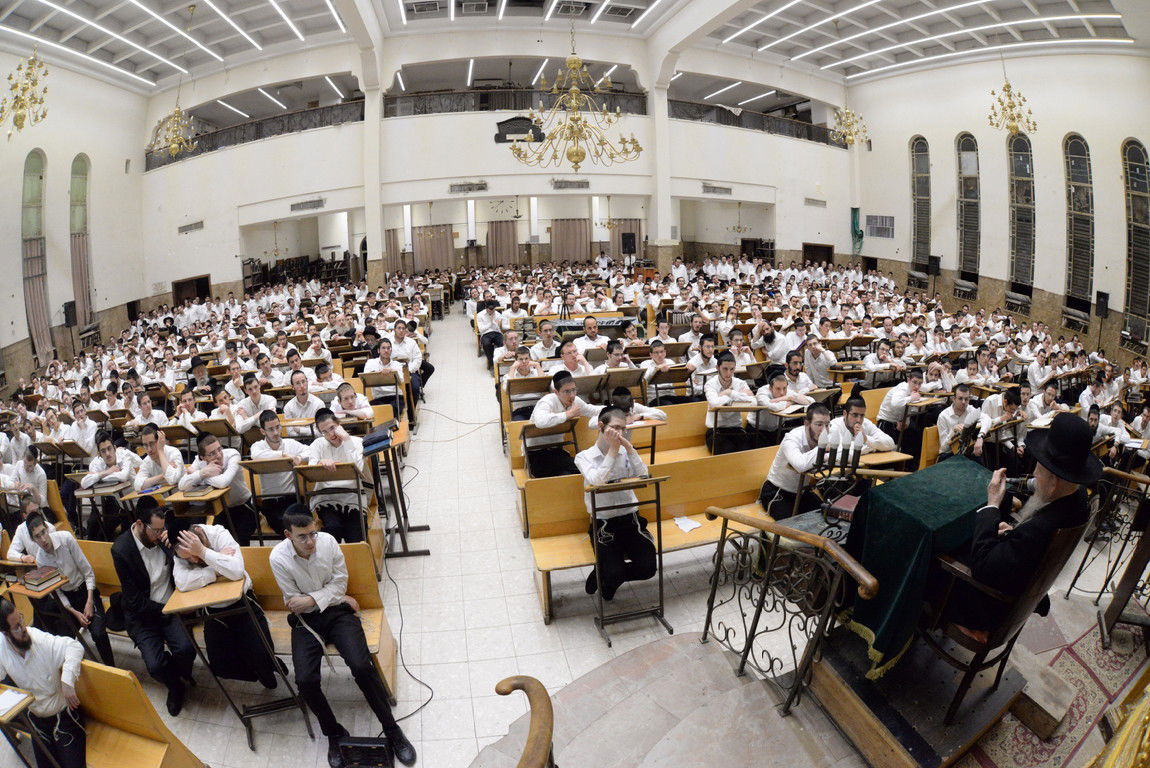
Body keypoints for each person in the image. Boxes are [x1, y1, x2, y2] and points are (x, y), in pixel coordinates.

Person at [270, 508, 416, 767]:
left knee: (361, 666)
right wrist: (320, 598)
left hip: (338, 613)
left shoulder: (328, 543)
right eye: (302, 537)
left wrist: (313, 598)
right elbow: (294, 603)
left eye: (313, 533)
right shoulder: (278, 557)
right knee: (304, 680)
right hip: (306, 621)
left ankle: (392, 728)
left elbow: (340, 584)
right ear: (287, 535)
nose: (311, 542)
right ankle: (334, 733)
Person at [942, 413, 1099, 636]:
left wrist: (993, 505)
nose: (1034, 472)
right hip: (1017, 581)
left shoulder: (1039, 531)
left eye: (1039, 467)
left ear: (1054, 483)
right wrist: (1015, 534)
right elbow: (1029, 547)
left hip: (989, 607)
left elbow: (982, 567)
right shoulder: (1079, 498)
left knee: (936, 555)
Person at [111, 498, 196, 716]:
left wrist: (174, 545)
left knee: (187, 650)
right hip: (142, 614)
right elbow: (133, 600)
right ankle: (175, 685)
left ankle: (177, 673)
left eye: (162, 529)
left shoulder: (164, 538)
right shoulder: (121, 550)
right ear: (139, 524)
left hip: (171, 604)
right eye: (155, 530)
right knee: (155, 666)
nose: (160, 535)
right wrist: (166, 610)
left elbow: (188, 564)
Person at [173, 524, 279, 688]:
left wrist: (203, 552)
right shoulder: (180, 546)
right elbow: (182, 582)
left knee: (262, 654)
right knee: (220, 665)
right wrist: (216, 568)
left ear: (201, 533)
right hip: (212, 608)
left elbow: (236, 571)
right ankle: (255, 670)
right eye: (188, 559)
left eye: (194, 554)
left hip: (242, 602)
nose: (194, 560)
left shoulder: (218, 533)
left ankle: (265, 668)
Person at [574, 408, 657, 601]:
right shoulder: (584, 457)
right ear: (601, 427)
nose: (620, 433)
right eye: (615, 428)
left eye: (623, 428)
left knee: (648, 568)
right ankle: (608, 574)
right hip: (604, 524)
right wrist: (613, 449)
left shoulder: (625, 451)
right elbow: (597, 481)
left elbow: (644, 475)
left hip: (631, 520)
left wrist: (629, 448)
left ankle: (603, 573)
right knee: (614, 571)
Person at [0, 598, 86, 768]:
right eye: (16, 627)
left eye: (21, 619)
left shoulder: (38, 639)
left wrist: (67, 681)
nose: (23, 628)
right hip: (37, 719)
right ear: (4, 633)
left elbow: (74, 646)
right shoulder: (1, 645)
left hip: (63, 715)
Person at [28, 513, 115, 665]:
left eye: (43, 532)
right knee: (65, 639)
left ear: (47, 528)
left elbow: (88, 573)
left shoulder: (66, 538)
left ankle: (112, 668)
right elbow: (57, 591)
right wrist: (74, 612)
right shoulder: (41, 559)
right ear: (33, 540)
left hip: (86, 592)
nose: (42, 539)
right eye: (37, 536)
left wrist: (89, 602)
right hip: (69, 600)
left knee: (98, 633)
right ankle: (83, 674)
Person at [178, 433, 256, 545]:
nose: (219, 455)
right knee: (216, 542)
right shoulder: (200, 462)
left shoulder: (233, 455)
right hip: (222, 509)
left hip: (244, 506)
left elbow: (223, 482)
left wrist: (199, 475)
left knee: (240, 543)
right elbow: (182, 485)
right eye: (212, 453)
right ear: (203, 458)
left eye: (219, 449)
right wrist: (202, 472)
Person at [760, 403, 832, 519]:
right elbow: (800, 465)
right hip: (777, 491)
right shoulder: (792, 438)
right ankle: (767, 535)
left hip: (802, 492)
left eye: (827, 425)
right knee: (791, 527)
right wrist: (822, 448)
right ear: (807, 424)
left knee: (826, 517)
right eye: (819, 425)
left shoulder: (827, 434)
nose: (824, 430)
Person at [307, 409, 368, 543]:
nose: (330, 434)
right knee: (332, 528)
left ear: (339, 424)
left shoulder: (356, 441)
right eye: (324, 432)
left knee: (355, 534)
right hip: (326, 498)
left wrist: (346, 439)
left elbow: (359, 467)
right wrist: (320, 462)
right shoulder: (317, 444)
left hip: (353, 496)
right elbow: (311, 470)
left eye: (332, 428)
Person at [527, 370, 602, 477]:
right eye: (567, 391)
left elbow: (592, 410)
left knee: (574, 474)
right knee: (579, 469)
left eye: (574, 390)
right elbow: (540, 421)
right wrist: (568, 414)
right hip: (535, 453)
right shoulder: (547, 401)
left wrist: (615, 408)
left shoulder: (575, 400)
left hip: (557, 451)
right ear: (556, 392)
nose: (572, 395)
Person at [250, 410, 310, 535]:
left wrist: (299, 457)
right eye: (271, 429)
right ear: (263, 431)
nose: (276, 432)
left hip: (291, 497)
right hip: (270, 502)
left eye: (277, 427)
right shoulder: (258, 446)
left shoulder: (290, 444)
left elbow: (310, 450)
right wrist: (282, 454)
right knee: (285, 526)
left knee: (302, 522)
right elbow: (256, 455)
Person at [704, 352, 756, 454]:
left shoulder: (740, 383)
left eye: (732, 369)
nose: (728, 373)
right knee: (727, 451)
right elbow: (715, 403)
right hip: (715, 430)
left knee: (747, 451)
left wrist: (730, 392)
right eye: (725, 369)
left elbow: (754, 403)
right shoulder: (710, 384)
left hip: (736, 428)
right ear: (717, 368)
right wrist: (738, 396)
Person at [134, 423, 185, 493]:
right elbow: (137, 485)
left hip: (181, 497)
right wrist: (162, 476)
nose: (149, 449)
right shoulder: (147, 460)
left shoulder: (174, 452)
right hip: (162, 499)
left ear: (159, 440)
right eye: (145, 445)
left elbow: (172, 480)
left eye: (151, 444)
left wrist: (160, 450)